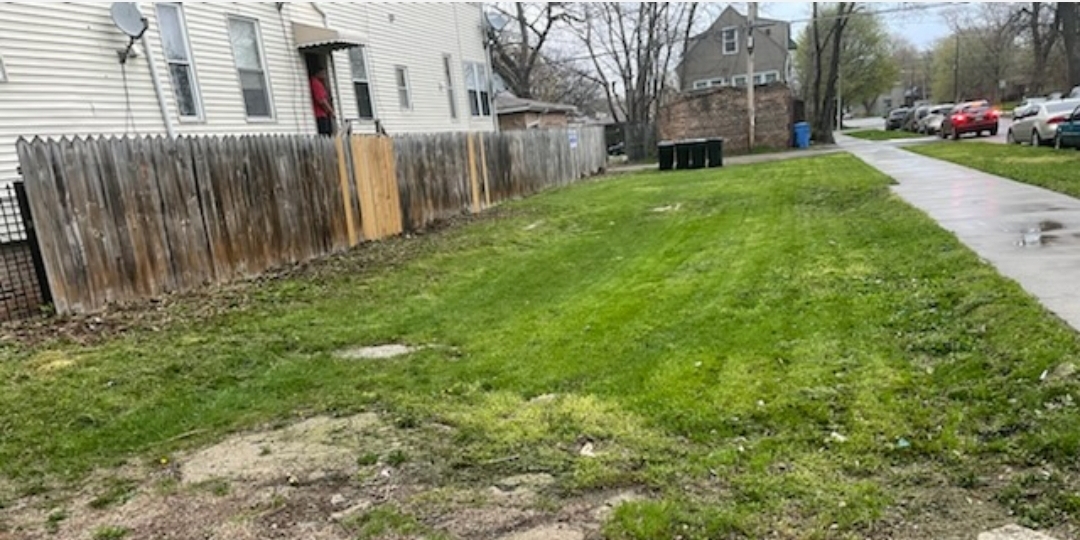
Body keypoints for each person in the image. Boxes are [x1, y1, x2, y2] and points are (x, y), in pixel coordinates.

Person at [310, 67, 334, 136]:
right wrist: (331, 112)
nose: (325, 75)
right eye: (323, 73)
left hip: (323, 115)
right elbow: (321, 101)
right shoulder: (316, 83)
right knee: (325, 135)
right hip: (320, 115)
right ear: (318, 73)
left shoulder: (319, 83)